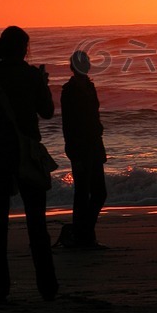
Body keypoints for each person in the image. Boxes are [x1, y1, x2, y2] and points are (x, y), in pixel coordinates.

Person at [0, 26, 59, 304]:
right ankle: (47, 287)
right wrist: (42, 83)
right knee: (37, 223)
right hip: (28, 156)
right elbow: (47, 112)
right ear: (23, 49)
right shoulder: (32, 76)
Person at [58, 50, 107, 248]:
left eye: (87, 61)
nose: (87, 64)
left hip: (94, 144)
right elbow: (68, 124)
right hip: (79, 147)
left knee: (98, 193)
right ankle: (83, 236)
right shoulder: (69, 90)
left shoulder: (89, 86)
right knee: (82, 193)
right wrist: (72, 152)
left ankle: (81, 233)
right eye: (83, 62)